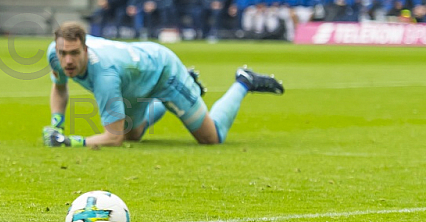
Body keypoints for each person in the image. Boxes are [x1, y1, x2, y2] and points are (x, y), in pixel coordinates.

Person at [42, 22, 284, 148]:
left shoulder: (104, 75)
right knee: (132, 135)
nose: (68, 61)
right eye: (63, 53)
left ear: (85, 48)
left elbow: (111, 139)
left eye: (74, 53)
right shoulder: (55, 53)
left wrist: (68, 141)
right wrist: (57, 125)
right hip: (133, 84)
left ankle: (244, 81)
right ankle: (177, 96)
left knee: (212, 138)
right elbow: (60, 87)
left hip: (163, 72)